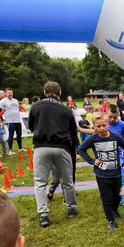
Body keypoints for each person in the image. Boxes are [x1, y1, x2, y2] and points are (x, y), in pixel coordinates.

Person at [30, 81, 79, 228]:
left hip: (41, 146)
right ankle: (71, 208)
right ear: (59, 93)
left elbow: (31, 127)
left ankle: (44, 215)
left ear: (45, 92)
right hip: (61, 147)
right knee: (67, 180)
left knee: (40, 182)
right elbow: (73, 132)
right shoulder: (66, 109)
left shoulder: (35, 106)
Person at [77, 112, 124, 230]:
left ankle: (114, 210)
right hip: (102, 174)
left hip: (116, 172)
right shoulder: (93, 139)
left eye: (104, 125)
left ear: (108, 125)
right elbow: (81, 149)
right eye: (98, 126)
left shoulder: (115, 137)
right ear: (94, 127)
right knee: (106, 198)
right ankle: (110, 220)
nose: (101, 128)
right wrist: (92, 161)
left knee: (117, 195)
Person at [0, 88, 23, 153]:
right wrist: (2, 119)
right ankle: (10, 149)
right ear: (5, 94)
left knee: (19, 135)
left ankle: (20, 148)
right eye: (9, 93)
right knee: (11, 135)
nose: (10, 94)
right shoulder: (3, 101)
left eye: (11, 93)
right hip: (10, 121)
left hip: (18, 120)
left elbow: (17, 108)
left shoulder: (15, 100)